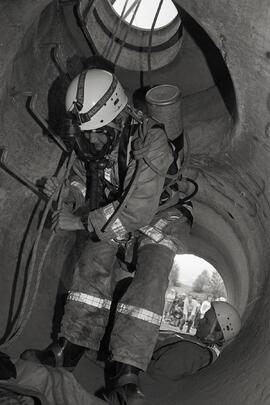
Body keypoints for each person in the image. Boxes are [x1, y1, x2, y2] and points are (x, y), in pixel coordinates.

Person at [21, 68, 193, 404]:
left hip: (161, 215)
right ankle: (70, 346)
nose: (92, 139)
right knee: (93, 257)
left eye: (97, 131)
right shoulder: (95, 138)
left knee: (152, 273)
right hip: (113, 212)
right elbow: (85, 183)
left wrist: (81, 223)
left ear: (115, 117)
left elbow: (139, 210)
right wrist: (65, 195)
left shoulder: (151, 141)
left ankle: (126, 371)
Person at [147, 301, 241, 382]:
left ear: (216, 335)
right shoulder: (196, 345)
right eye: (204, 317)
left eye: (206, 321)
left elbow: (156, 378)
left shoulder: (190, 352)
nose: (200, 321)